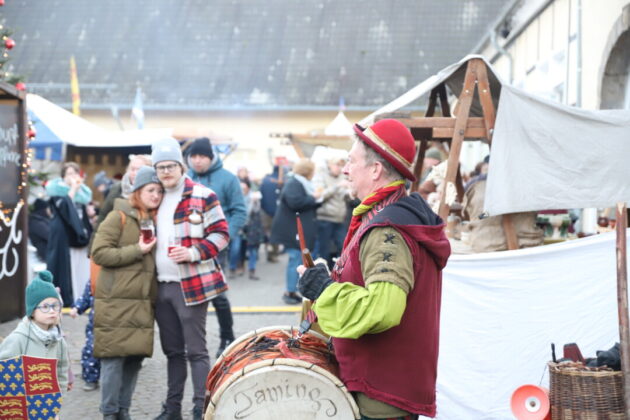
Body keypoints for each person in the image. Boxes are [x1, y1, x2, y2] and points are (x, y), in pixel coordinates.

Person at [297, 119, 451, 420]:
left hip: (381, 392)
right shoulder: (386, 215)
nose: (345, 169)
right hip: (379, 384)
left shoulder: (387, 228)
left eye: (352, 162)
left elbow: (384, 309)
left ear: (376, 170)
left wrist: (325, 290)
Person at [152, 138, 230, 420]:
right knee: (172, 352)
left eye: (170, 166)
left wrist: (193, 252)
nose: (166, 172)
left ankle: (201, 408)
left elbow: (222, 235)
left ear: (181, 166)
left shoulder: (203, 195)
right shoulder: (154, 197)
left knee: (196, 351)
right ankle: (172, 410)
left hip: (192, 286)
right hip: (160, 286)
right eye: (160, 167)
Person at [91, 166, 162, 420]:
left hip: (142, 302)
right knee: (113, 360)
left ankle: (124, 411)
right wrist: (137, 250)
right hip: (116, 302)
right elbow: (99, 253)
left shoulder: (155, 220)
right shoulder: (117, 216)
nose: (156, 195)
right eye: (151, 190)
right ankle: (109, 413)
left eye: (159, 191)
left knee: (134, 359)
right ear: (138, 191)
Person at [186, 136, 245, 356]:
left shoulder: (228, 179)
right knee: (189, 293)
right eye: (194, 156)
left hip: (216, 246)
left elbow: (240, 211)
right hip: (189, 245)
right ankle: (191, 341)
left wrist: (224, 236)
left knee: (218, 294)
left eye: (202, 156)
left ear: (211, 158)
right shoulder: (185, 178)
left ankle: (227, 336)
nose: (198, 161)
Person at [0, 270, 70, 394]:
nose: (52, 311)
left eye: (55, 305)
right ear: (32, 311)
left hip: (47, 406)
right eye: (45, 307)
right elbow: (3, 370)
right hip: (20, 406)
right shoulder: (17, 339)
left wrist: (58, 402)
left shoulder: (59, 341)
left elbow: (61, 372)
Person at [270, 158, 321, 304]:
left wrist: (316, 201)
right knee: (295, 260)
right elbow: (295, 202)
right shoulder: (294, 183)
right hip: (292, 230)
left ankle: (293, 291)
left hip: (295, 229)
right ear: (308, 171)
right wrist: (313, 198)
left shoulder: (299, 182)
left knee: (297, 259)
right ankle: (289, 292)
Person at [46, 162, 94, 305]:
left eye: (75, 173)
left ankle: (80, 297)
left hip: (79, 235)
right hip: (63, 235)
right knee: (65, 266)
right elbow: (65, 207)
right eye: (69, 174)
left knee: (80, 266)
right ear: (63, 176)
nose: (72, 177)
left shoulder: (84, 193)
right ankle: (66, 298)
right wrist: (73, 188)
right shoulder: (56, 191)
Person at [312, 157, 350, 269]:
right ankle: (322, 275)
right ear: (330, 164)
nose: (339, 168)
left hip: (339, 219)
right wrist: (337, 186)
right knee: (324, 250)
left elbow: (344, 195)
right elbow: (320, 196)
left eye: (341, 166)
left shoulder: (343, 177)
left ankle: (340, 273)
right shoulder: (320, 176)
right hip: (325, 219)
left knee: (344, 248)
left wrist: (352, 192)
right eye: (337, 165)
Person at [97, 154, 152, 226]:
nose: (135, 173)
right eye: (132, 169)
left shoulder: (154, 190)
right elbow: (103, 215)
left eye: (139, 170)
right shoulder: (118, 188)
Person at [69, 279, 100, 392]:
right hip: (95, 323)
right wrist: (77, 308)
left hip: (115, 322)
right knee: (90, 349)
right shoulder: (94, 277)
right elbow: (86, 297)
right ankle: (91, 378)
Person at [259, 163, 285, 262]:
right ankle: (273, 254)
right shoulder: (281, 181)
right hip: (277, 212)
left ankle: (268, 250)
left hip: (265, 212)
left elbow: (261, 195)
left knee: (267, 233)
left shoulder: (265, 180)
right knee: (275, 234)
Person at [240, 179, 265, 280]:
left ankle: (252, 270)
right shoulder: (237, 197)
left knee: (253, 250)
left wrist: (254, 201)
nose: (242, 190)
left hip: (252, 228)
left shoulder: (254, 197)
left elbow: (254, 211)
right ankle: (238, 266)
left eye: (244, 187)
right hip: (241, 227)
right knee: (239, 249)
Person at [28, 197, 51, 263]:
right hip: (46, 254)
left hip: (48, 254)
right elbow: (50, 235)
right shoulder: (36, 222)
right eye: (48, 208)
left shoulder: (40, 220)